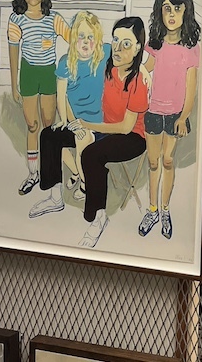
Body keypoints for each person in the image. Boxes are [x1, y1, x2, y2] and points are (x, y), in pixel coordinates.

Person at [30, 17, 149, 249]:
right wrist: (78, 123)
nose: (117, 47)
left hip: (132, 137)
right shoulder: (108, 62)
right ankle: (55, 198)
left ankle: (98, 217)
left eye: (126, 43)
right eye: (115, 40)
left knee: (92, 155)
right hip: (104, 126)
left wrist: (87, 126)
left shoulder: (138, 82)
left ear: (137, 48)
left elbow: (126, 128)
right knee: (49, 136)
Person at [28, 11, 109, 217]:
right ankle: (57, 196)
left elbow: (130, 60)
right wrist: (66, 121)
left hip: (98, 124)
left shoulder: (105, 54)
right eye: (81, 36)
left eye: (91, 37)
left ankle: (84, 183)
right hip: (76, 121)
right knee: (49, 137)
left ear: (98, 39)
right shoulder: (66, 62)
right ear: (73, 38)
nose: (85, 42)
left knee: (83, 141)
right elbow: (61, 96)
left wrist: (144, 72)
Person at [138, 0, 201, 240]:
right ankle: (152, 209)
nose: (172, 14)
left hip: (175, 115)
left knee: (168, 160)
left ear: (186, 11)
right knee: (153, 163)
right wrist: (140, 70)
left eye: (177, 8)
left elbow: (191, 87)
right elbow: (147, 68)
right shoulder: (155, 45)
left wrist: (185, 117)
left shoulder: (190, 49)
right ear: (160, 13)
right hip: (152, 112)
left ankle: (165, 210)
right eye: (167, 9)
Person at [8, 0, 71, 195]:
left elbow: (73, 38)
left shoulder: (53, 18)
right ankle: (33, 173)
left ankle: (50, 172)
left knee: (48, 125)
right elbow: (13, 51)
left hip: (48, 73)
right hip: (28, 73)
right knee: (32, 125)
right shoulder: (16, 19)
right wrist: (14, 84)